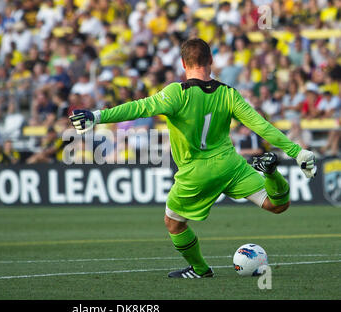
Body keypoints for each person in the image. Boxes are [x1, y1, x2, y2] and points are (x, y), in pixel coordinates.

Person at [70, 38, 317, 279]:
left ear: (182, 63)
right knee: (277, 205)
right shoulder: (228, 93)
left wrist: (96, 116)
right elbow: (261, 125)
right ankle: (271, 173)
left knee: (174, 223)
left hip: (195, 174)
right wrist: (297, 151)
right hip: (230, 166)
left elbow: (138, 107)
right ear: (211, 59)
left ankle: (200, 270)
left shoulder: (177, 93)